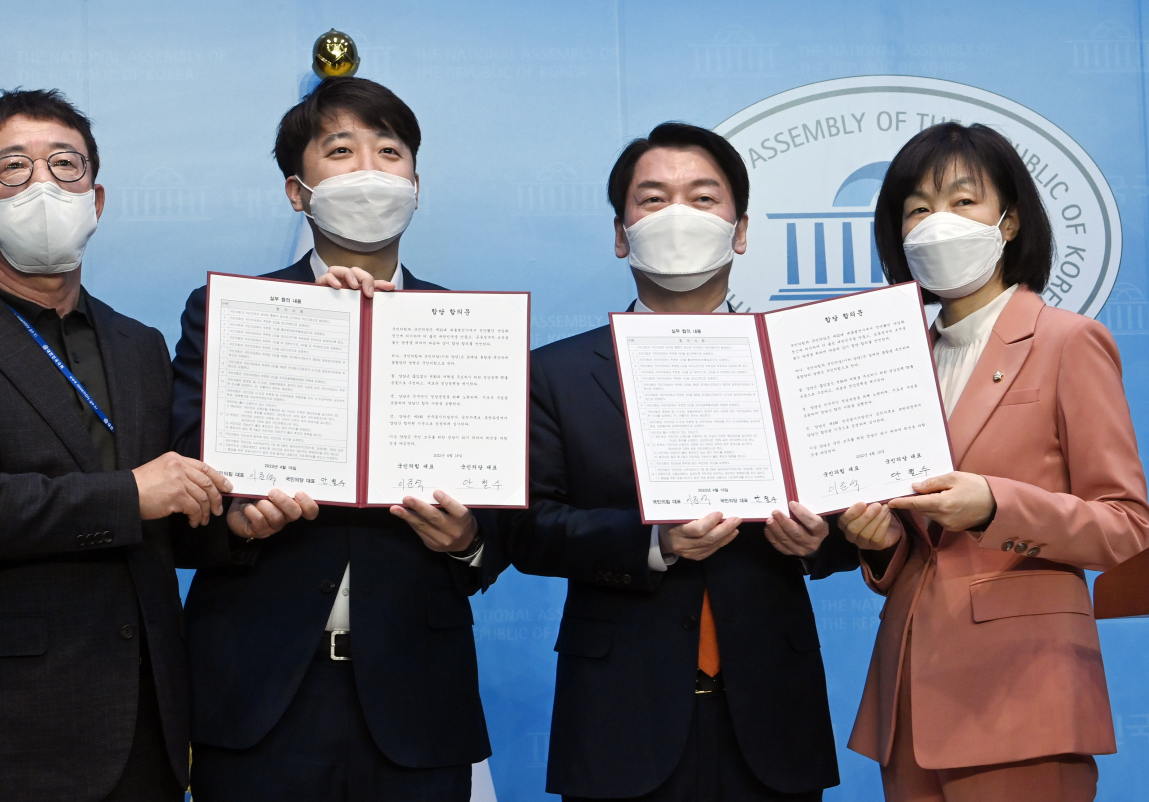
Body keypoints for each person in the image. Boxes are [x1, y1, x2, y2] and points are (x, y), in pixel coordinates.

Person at [0, 89, 232, 801]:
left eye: (66, 165)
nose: (44, 183)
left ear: (96, 199)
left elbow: (172, 515)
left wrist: (240, 520)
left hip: (145, 725)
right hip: (1, 728)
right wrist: (133, 492)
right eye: (13, 168)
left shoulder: (142, 345)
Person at [501, 122, 858, 802]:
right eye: (653, 199)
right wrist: (652, 544)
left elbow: (849, 513)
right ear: (620, 233)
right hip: (618, 716)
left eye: (702, 198)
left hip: (773, 719)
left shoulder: (798, 359)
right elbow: (529, 529)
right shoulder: (557, 374)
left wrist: (821, 541)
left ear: (741, 229)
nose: (678, 217)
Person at [169, 76, 502, 801]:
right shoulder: (235, 316)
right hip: (259, 698)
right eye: (342, 151)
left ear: (416, 184)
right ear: (297, 191)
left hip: (417, 699)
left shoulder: (465, 330)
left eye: (390, 152)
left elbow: (513, 518)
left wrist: (468, 538)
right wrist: (237, 523)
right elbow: (178, 500)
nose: (369, 172)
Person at [837, 122, 1149, 801]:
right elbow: (915, 545)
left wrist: (995, 504)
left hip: (1024, 695)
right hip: (909, 698)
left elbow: (1126, 526)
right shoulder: (890, 359)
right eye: (916, 209)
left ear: (1009, 221)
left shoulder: (1069, 342)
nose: (936, 223)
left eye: (961, 201)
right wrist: (883, 545)